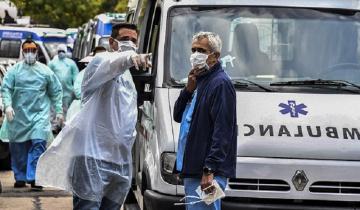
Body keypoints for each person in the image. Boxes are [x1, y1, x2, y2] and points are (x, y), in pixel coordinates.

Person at [36, 23, 151, 210]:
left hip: (119, 161)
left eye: (133, 41)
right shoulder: (99, 63)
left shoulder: (128, 77)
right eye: (124, 39)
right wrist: (129, 57)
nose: (129, 43)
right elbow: (112, 63)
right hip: (92, 158)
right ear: (112, 43)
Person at [173, 32, 237, 210]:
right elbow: (178, 116)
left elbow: (223, 131)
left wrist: (209, 170)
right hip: (193, 168)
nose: (195, 54)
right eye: (193, 49)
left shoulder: (220, 84)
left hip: (207, 173)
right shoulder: (199, 81)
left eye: (201, 50)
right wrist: (188, 89)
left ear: (215, 56)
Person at [1, 39, 63, 190]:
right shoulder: (14, 71)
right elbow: (6, 89)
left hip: (39, 116)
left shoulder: (45, 71)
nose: (30, 53)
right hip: (18, 116)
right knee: (18, 148)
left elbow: (56, 91)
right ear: (23, 52)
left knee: (38, 143)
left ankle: (35, 177)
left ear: (36, 52)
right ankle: (20, 176)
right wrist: (8, 106)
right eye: (27, 50)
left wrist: (59, 110)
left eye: (32, 50)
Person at [48, 44, 79, 122]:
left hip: (68, 91)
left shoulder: (71, 63)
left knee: (65, 109)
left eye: (63, 51)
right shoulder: (52, 63)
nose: (61, 53)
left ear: (65, 52)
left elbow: (76, 77)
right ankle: (54, 125)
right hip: (55, 91)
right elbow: (48, 76)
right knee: (54, 109)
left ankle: (63, 125)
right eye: (59, 51)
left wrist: (76, 88)